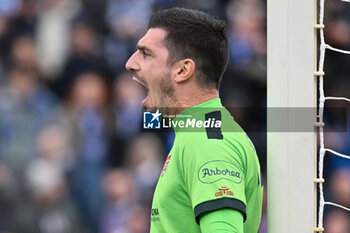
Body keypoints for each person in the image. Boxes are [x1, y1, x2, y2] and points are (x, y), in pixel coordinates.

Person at [125, 7, 263, 233]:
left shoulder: (208, 141)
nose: (130, 63)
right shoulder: (199, 131)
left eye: (146, 54)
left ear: (182, 70)